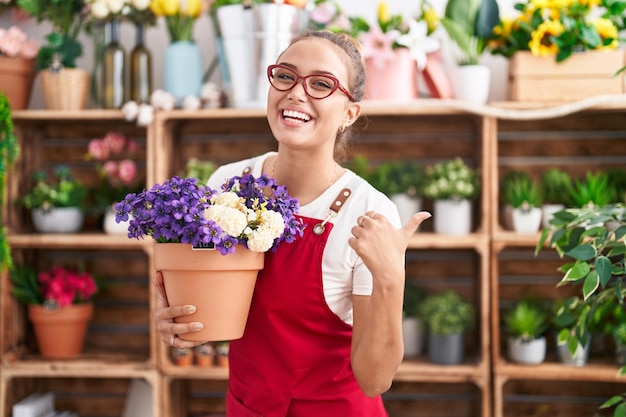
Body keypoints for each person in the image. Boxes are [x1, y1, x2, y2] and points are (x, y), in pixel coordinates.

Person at [153, 30, 432, 416]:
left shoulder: (368, 213)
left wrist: (389, 278)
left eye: (321, 84)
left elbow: (375, 380)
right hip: (248, 407)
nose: (296, 93)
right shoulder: (226, 184)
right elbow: (206, 302)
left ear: (349, 113)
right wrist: (177, 320)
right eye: (285, 76)